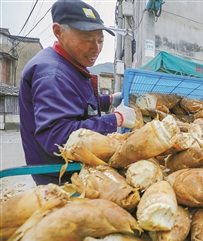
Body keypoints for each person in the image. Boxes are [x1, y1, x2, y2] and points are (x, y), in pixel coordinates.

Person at [19, 0, 137, 185]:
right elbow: (58, 137)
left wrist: (109, 100)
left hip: (74, 166)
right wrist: (115, 120)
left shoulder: (70, 63)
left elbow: (75, 102)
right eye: (87, 38)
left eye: (100, 40)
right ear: (58, 32)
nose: (96, 48)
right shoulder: (52, 74)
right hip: (61, 174)